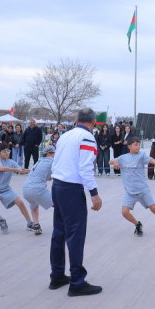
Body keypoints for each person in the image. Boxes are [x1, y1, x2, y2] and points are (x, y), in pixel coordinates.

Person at [50, 108, 103, 297]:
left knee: (59, 233)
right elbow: (85, 168)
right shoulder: (87, 137)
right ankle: (77, 282)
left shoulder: (65, 136)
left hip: (58, 185)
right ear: (93, 122)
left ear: (76, 119)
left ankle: (57, 275)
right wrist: (94, 193)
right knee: (75, 235)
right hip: (71, 189)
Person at [110, 135, 155, 237]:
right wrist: (114, 162)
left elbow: (154, 161)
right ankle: (137, 224)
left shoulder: (141, 156)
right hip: (130, 192)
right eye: (135, 145)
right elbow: (111, 161)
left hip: (143, 190)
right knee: (124, 212)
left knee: (154, 208)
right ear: (129, 146)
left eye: (139, 145)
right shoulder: (123, 158)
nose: (138, 147)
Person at [0, 145, 35, 233]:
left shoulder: (12, 162)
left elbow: (21, 170)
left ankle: (29, 223)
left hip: (6, 189)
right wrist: (16, 169)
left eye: (8, 151)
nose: (7, 153)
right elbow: (2, 168)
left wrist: (32, 170)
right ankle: (1, 220)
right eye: (4, 151)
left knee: (20, 202)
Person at [22, 145, 56, 234]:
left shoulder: (39, 161)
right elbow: (51, 177)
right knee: (57, 205)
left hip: (26, 189)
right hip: (38, 189)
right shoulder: (52, 161)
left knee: (34, 205)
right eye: (54, 153)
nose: (55, 155)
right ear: (49, 154)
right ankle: (67, 224)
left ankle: (36, 225)